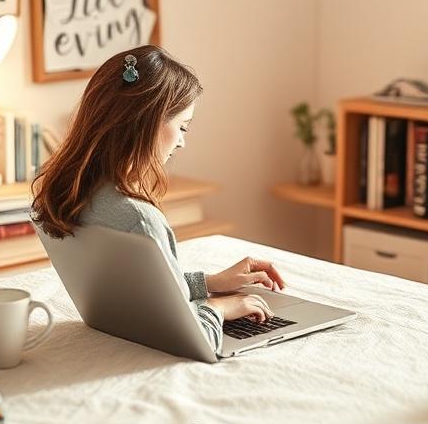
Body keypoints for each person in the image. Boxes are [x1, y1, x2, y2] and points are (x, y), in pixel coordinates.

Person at [31, 45, 286, 352]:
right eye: (182, 127)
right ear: (148, 123)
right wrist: (224, 307)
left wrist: (211, 283)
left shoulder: (62, 196)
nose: (181, 142)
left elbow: (142, 294)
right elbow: (199, 338)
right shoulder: (139, 218)